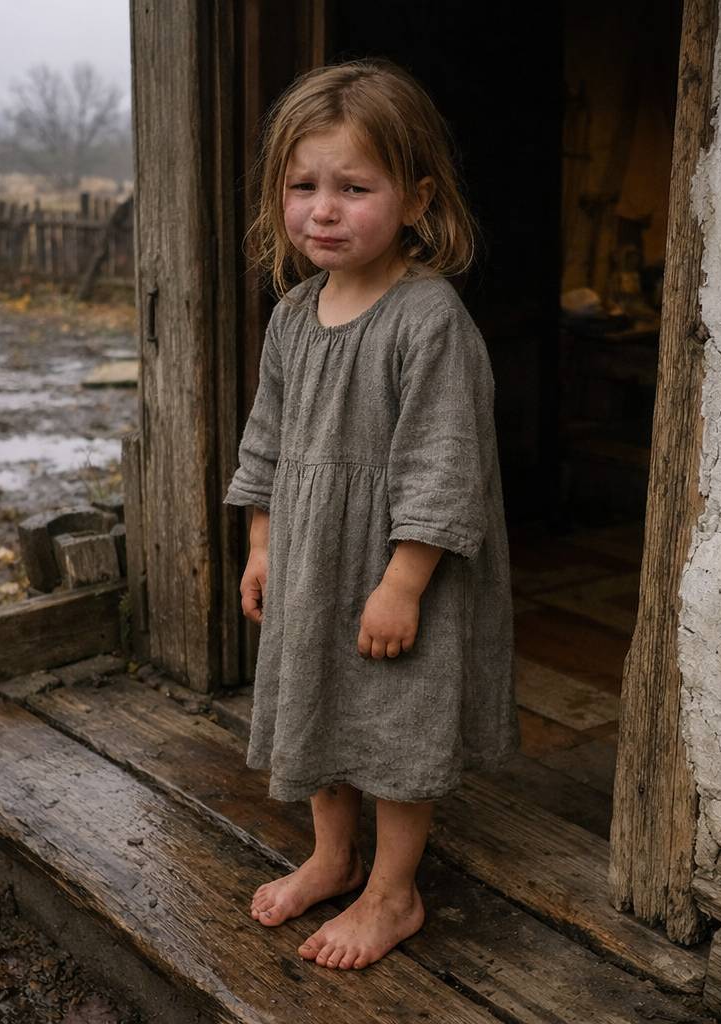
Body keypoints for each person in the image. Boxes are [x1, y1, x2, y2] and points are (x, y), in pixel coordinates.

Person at [222, 59, 519, 972]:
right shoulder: (293, 315)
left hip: (397, 567)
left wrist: (403, 583)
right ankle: (331, 855)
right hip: (313, 562)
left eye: (354, 188)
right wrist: (261, 542)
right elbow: (265, 439)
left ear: (417, 198)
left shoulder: (428, 320)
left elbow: (444, 466)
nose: (324, 209)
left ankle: (394, 894)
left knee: (393, 726)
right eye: (303, 186)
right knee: (319, 703)